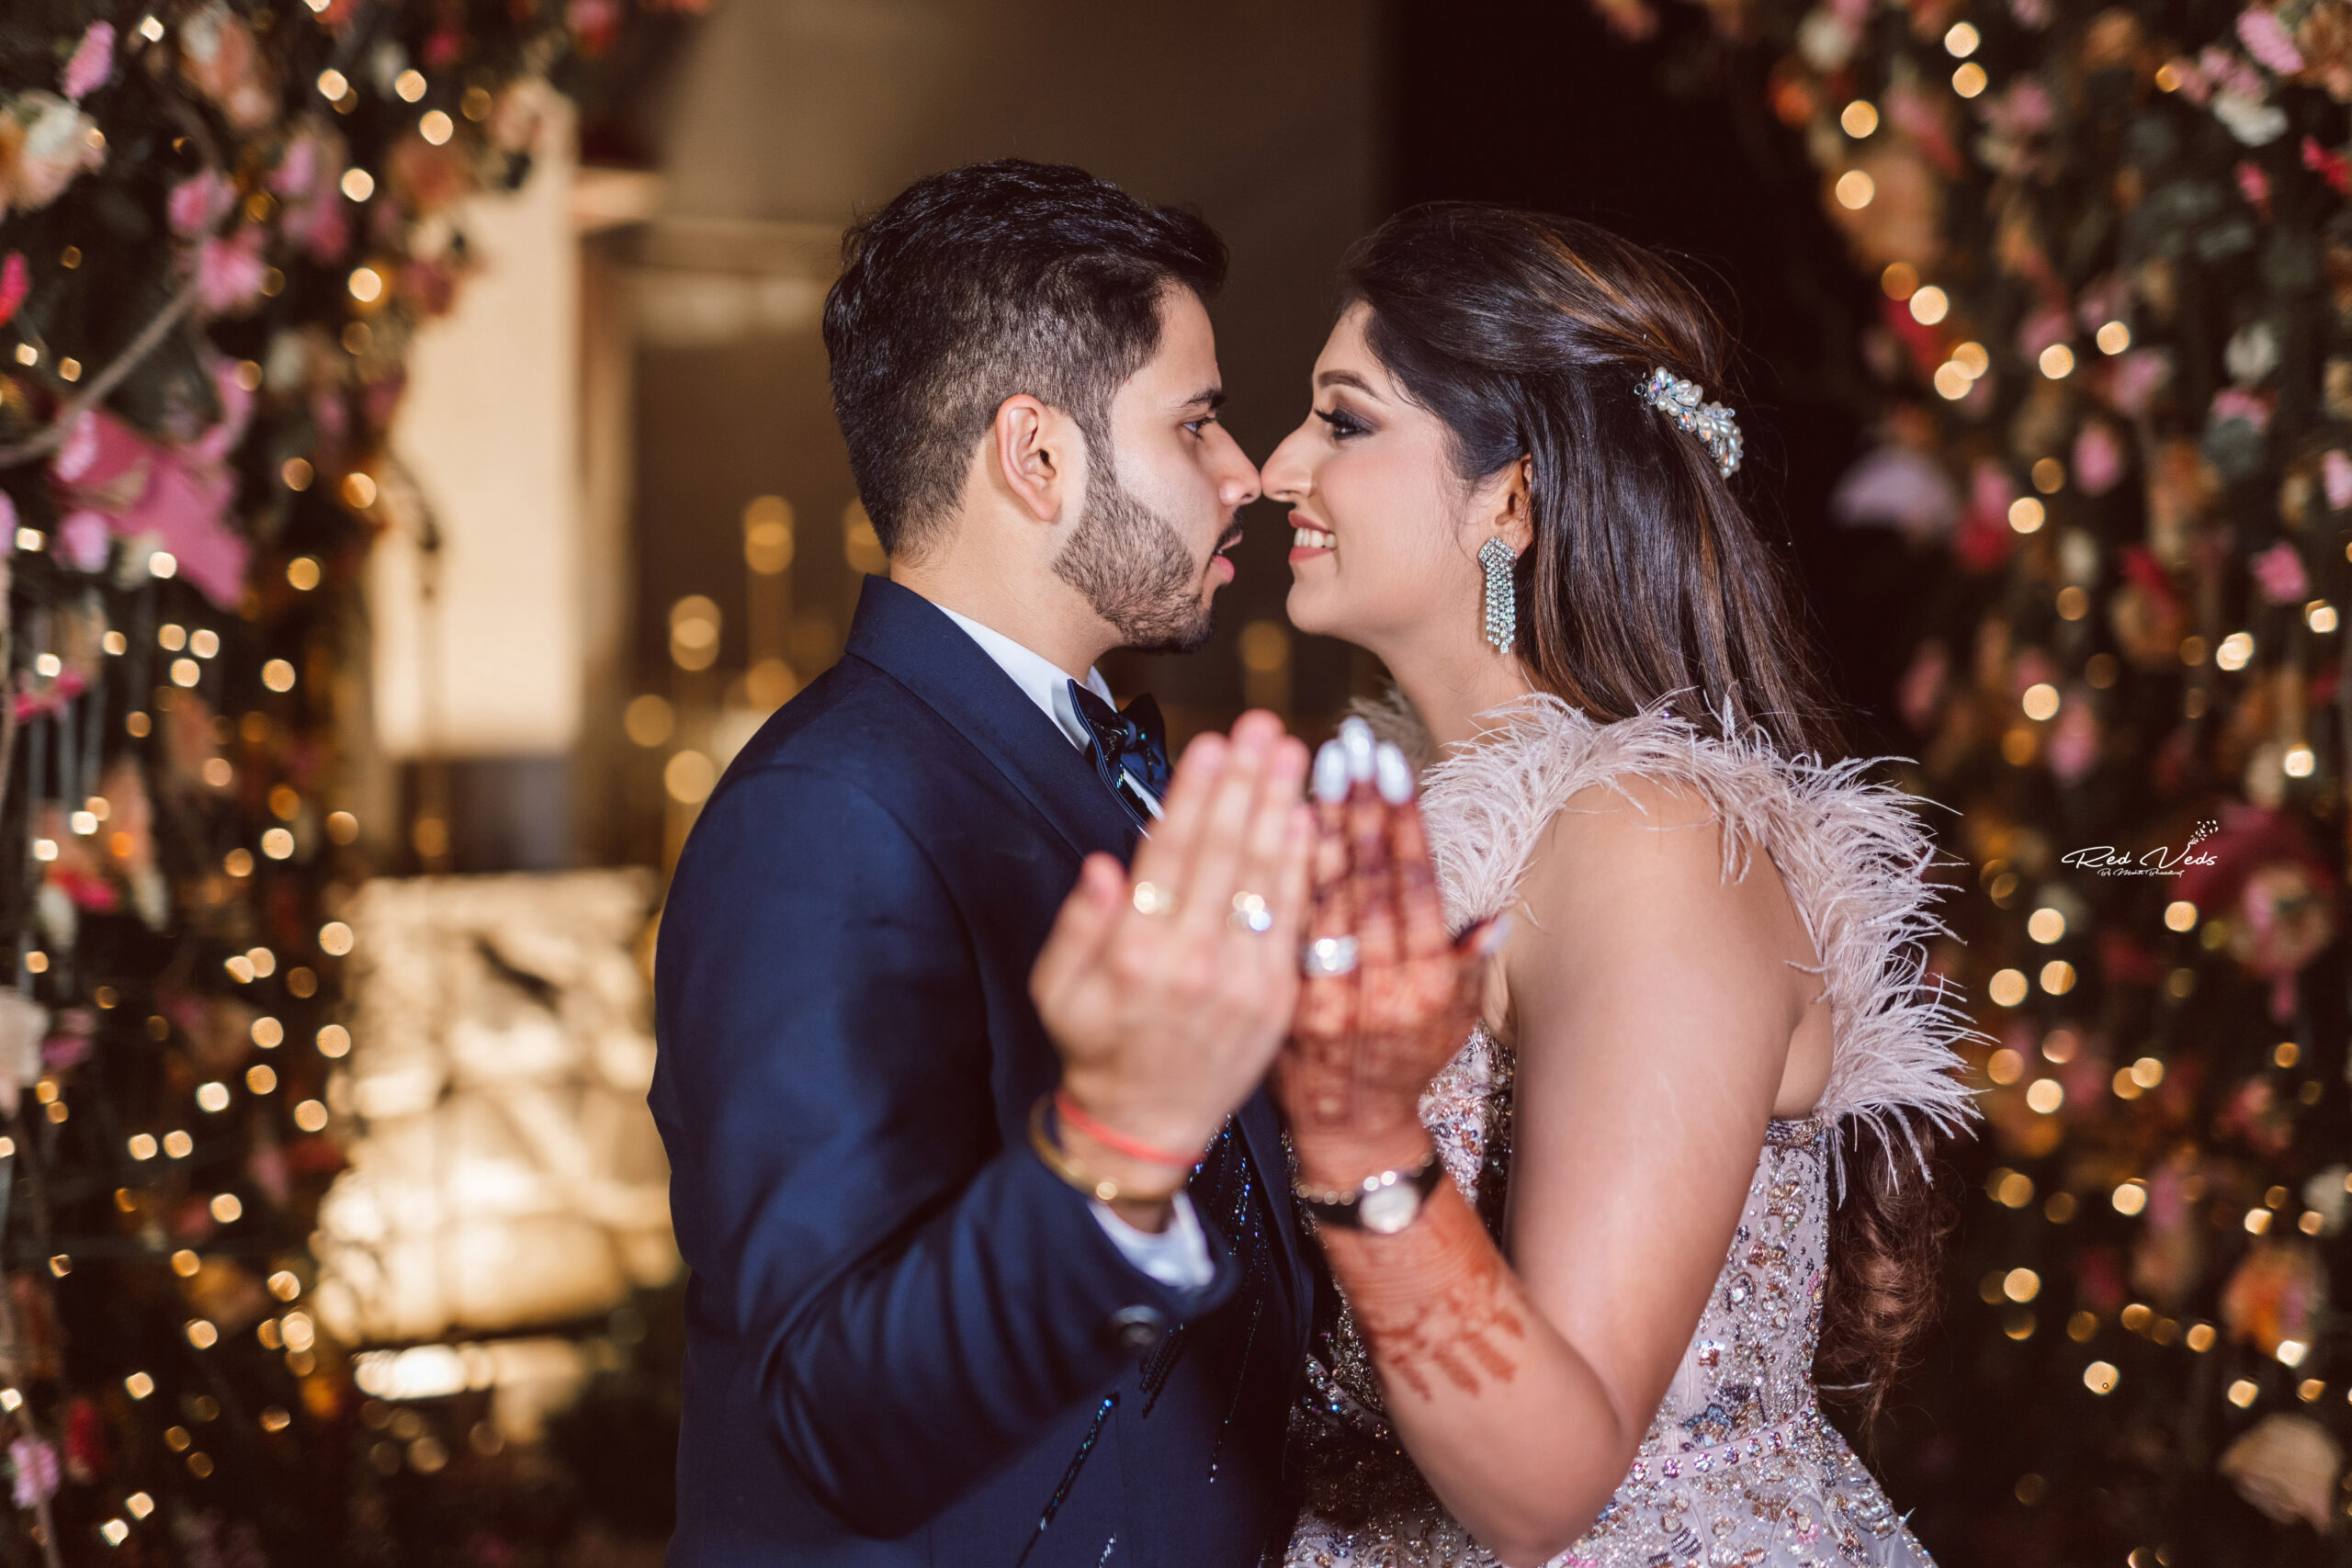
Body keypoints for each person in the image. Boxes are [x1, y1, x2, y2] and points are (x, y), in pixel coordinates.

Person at [1257, 205, 1983, 1568]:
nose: (1279, 468)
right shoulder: (1432, 836)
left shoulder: (1647, 844)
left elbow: (1549, 1488)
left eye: (1344, 422)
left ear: (1509, 502)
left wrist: (1359, 1145)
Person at [648, 160, 1318, 1568]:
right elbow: (834, 1414)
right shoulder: (824, 812)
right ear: (1038, 456)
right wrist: (1112, 1149)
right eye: (1194, 422)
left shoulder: (1093, 755)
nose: (1245, 470)